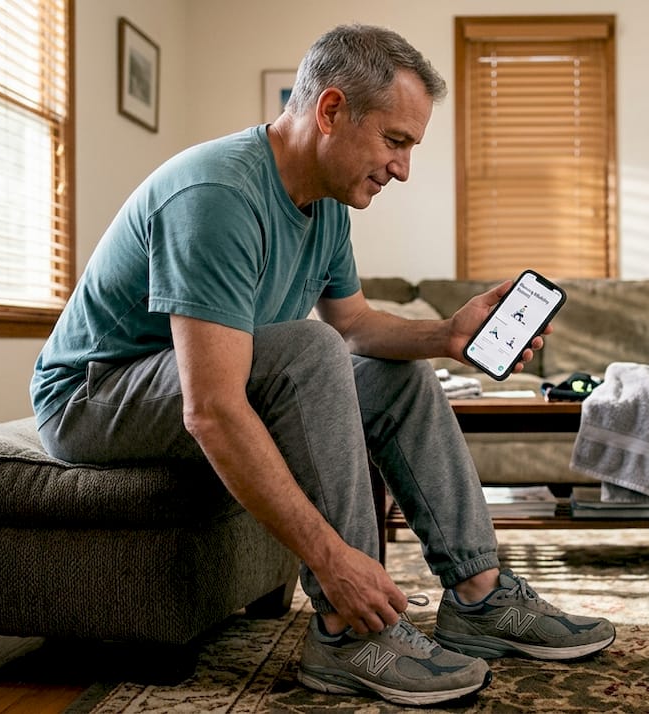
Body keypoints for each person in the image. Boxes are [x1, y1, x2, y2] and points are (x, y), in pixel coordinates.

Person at [30, 23, 614, 707]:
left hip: (184, 379)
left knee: (399, 374)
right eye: (395, 141)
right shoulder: (216, 196)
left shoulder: (327, 203)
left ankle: (480, 594)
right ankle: (347, 634)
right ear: (332, 110)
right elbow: (211, 408)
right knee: (311, 349)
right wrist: (338, 566)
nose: (402, 168)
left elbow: (358, 326)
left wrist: (447, 335)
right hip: (93, 398)